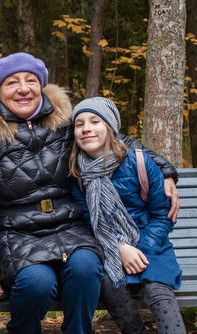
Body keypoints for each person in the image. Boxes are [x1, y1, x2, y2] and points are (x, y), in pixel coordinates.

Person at [0, 52, 180, 334]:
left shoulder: (63, 121)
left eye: (31, 80)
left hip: (69, 224)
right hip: (13, 230)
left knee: (87, 267)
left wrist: (166, 171)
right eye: (12, 82)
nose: (24, 88)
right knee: (37, 283)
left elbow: (115, 138)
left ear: (41, 85)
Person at [69, 97, 185, 334]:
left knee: (157, 288)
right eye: (79, 124)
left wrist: (141, 247)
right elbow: (87, 219)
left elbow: (162, 215)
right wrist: (119, 247)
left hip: (151, 241)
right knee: (109, 282)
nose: (86, 128)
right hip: (108, 245)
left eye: (95, 121)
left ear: (110, 127)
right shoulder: (78, 173)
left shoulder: (139, 162)